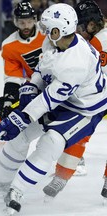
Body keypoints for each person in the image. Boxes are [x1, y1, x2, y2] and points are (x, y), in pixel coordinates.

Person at [0, 3, 107, 214]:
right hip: (64, 97)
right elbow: (43, 67)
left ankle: (16, 190)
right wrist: (30, 86)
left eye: (47, 28)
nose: (43, 31)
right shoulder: (53, 41)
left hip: (84, 108)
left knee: (51, 142)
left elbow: (49, 99)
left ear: (59, 30)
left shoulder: (76, 62)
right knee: (21, 136)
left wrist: (23, 116)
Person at [0, 1, 45, 197]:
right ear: (15, 22)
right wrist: (8, 99)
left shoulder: (47, 31)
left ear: (35, 20)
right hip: (35, 87)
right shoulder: (9, 45)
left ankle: (74, 157)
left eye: (29, 21)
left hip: (58, 85)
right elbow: (13, 76)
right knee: (7, 120)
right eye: (21, 22)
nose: (26, 26)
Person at [43, 0, 107, 200]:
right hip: (97, 95)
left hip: (97, 95)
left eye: (80, 27)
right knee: (78, 133)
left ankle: (63, 177)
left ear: (91, 24)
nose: (76, 31)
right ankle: (62, 177)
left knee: (78, 133)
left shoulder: (97, 41)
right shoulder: (88, 42)